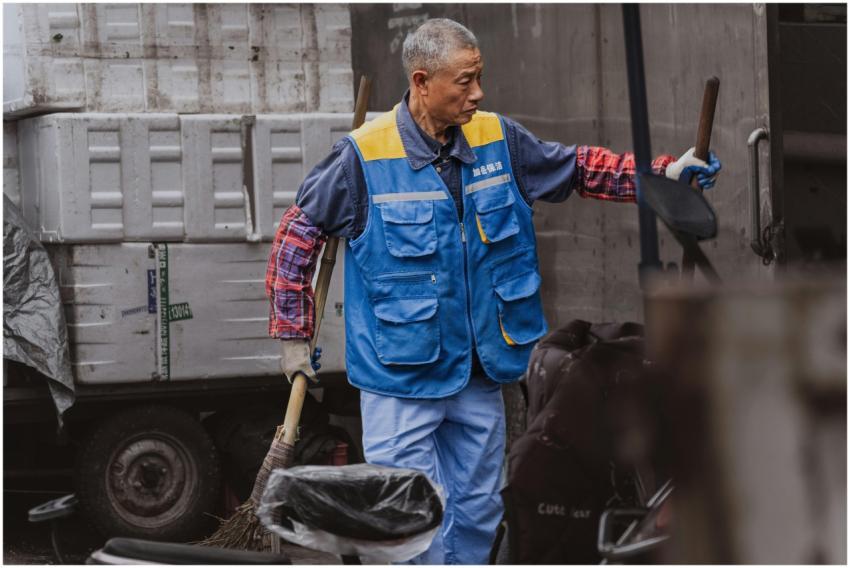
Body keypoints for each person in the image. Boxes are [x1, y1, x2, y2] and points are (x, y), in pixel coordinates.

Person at [265, 18, 720, 565]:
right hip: (402, 378)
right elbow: (297, 237)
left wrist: (662, 174)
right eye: (465, 81)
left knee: (479, 515)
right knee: (408, 526)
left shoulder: (497, 138)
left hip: (480, 372)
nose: (477, 93)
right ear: (421, 80)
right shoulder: (362, 157)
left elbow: (578, 169)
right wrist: (293, 334)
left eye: (479, 77)